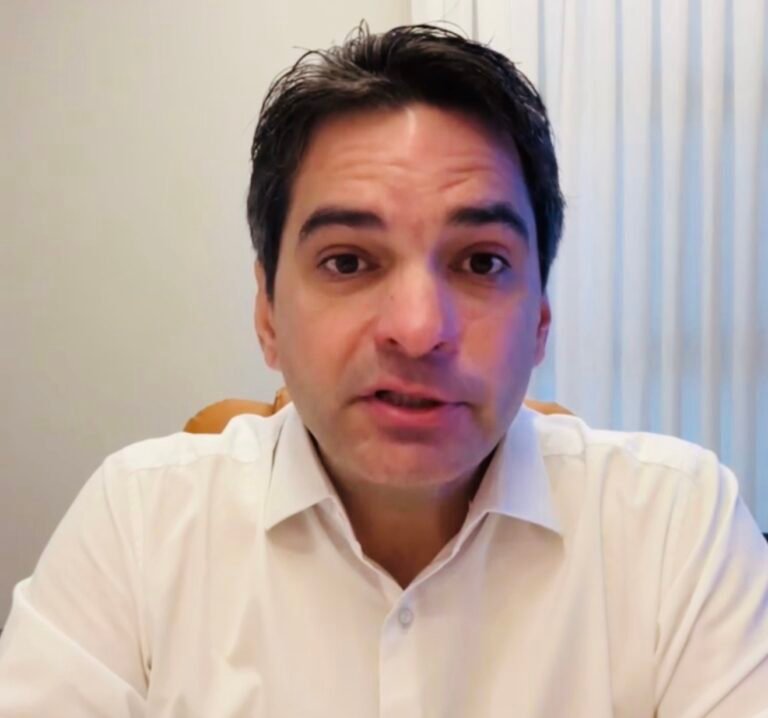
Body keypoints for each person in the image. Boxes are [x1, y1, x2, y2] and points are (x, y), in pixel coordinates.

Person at [0, 22, 766, 717]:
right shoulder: (139, 524)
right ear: (268, 313)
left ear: (540, 317)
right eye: (348, 261)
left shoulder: (677, 527)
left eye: (481, 261)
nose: (418, 329)